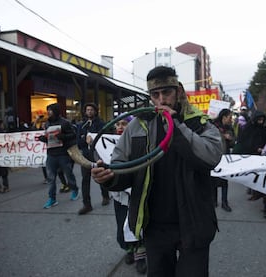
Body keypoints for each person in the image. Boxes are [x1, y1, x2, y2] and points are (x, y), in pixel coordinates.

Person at [91, 66, 223, 277]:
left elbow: (210, 157)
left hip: (194, 221)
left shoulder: (201, 123)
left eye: (167, 92)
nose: (161, 99)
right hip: (155, 225)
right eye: (155, 94)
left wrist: (176, 125)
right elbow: (121, 165)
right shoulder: (138, 126)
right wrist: (109, 178)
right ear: (150, 96)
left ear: (178, 91)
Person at [110, 115, 147, 274]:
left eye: (124, 123)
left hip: (136, 191)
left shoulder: (139, 141)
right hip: (119, 195)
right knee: (121, 224)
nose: (120, 126)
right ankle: (129, 250)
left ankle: (140, 254)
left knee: (137, 223)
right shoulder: (107, 142)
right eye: (117, 124)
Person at [37, 103, 80, 209]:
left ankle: (74, 189)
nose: (48, 112)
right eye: (48, 110)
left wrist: (63, 136)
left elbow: (73, 135)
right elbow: (48, 136)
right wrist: (43, 139)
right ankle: (52, 199)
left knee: (68, 174)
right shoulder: (47, 123)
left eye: (50, 110)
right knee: (51, 178)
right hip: (51, 154)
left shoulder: (65, 122)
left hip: (63, 154)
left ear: (55, 111)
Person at [77, 103, 109, 215]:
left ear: (95, 111)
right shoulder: (81, 126)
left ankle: (105, 196)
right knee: (85, 179)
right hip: (86, 156)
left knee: (101, 176)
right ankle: (87, 204)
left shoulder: (101, 124)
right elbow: (78, 143)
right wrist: (84, 140)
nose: (89, 112)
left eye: (91, 110)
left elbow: (105, 138)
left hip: (97, 155)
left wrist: (94, 140)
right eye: (87, 110)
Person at [211, 108, 235, 212]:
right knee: (213, 180)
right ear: (224, 117)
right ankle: (214, 201)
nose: (231, 119)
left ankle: (224, 202)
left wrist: (230, 139)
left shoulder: (229, 128)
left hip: (225, 157)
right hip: (214, 156)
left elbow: (234, 142)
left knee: (224, 181)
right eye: (229, 117)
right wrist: (221, 136)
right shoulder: (212, 126)